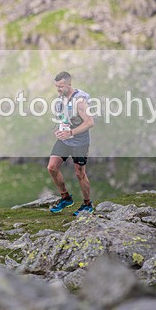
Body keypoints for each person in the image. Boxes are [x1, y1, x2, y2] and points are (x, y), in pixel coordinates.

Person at [47, 71, 95, 216]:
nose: (58, 90)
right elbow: (64, 118)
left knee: (80, 173)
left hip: (80, 142)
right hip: (65, 140)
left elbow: (90, 122)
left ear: (69, 84)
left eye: (61, 87)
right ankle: (65, 198)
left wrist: (71, 133)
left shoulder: (79, 101)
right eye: (57, 87)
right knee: (52, 167)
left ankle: (87, 204)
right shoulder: (61, 98)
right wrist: (59, 129)